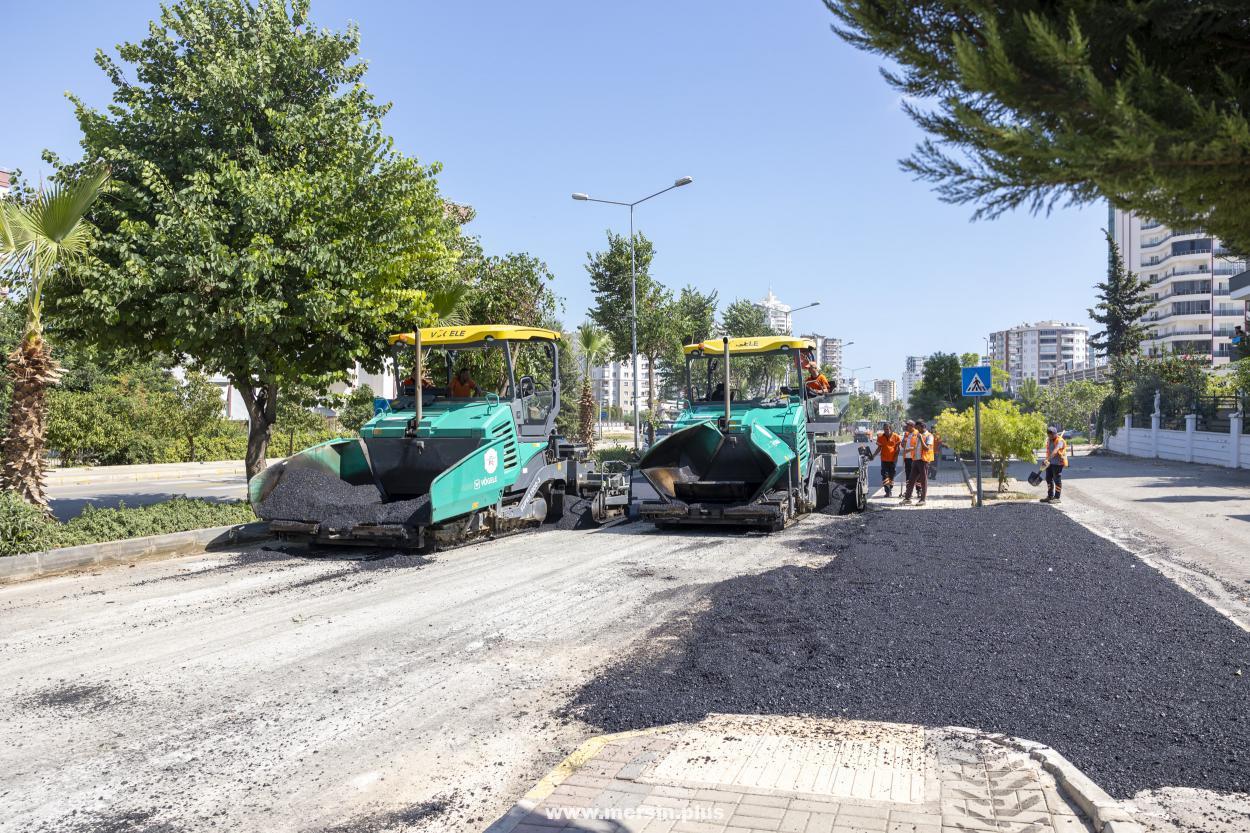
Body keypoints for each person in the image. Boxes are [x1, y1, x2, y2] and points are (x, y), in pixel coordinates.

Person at [903, 420, 932, 505]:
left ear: (922, 427)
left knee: (923, 480)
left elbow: (926, 448)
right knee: (911, 480)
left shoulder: (929, 436)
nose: (916, 429)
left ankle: (923, 500)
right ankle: (907, 498)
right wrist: (910, 449)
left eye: (918, 427)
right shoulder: (919, 435)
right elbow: (917, 447)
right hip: (916, 460)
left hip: (923, 461)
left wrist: (920, 438)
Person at [1041, 425, 1069, 503]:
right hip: (1050, 463)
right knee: (1048, 479)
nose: (1050, 436)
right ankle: (1050, 496)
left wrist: (1047, 459)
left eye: (1051, 435)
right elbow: (1049, 451)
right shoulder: (1049, 440)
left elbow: (1055, 451)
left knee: (1057, 480)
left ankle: (1057, 497)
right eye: (1049, 435)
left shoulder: (1060, 441)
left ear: (1055, 434)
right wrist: (1046, 460)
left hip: (1058, 463)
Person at [874, 423, 902, 497]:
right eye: (885, 429)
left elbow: (898, 448)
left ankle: (890, 488)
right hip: (884, 459)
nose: (886, 431)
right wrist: (873, 455)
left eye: (887, 429)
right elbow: (879, 448)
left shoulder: (896, 436)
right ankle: (887, 491)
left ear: (891, 429)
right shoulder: (880, 437)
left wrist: (896, 456)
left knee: (892, 475)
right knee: (884, 475)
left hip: (893, 460)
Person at [900, 420, 917, 492]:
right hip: (907, 457)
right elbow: (902, 445)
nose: (906, 427)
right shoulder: (906, 433)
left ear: (912, 426)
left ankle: (918, 490)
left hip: (915, 457)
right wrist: (903, 442)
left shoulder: (917, 433)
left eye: (907, 425)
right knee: (908, 474)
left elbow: (918, 446)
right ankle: (908, 490)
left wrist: (910, 449)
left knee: (916, 475)